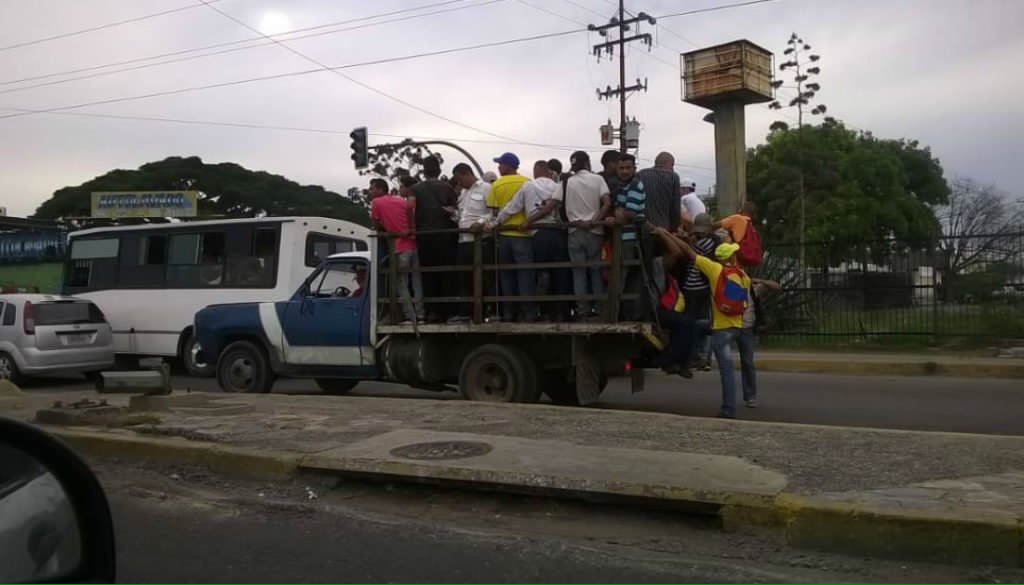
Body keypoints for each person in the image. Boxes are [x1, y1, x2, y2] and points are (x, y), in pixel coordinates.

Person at [671, 235, 752, 419]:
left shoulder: (714, 269)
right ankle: (694, 357)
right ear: (732, 258)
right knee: (696, 326)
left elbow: (689, 253)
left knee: (726, 372)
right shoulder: (743, 276)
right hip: (737, 327)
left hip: (721, 330)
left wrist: (667, 234)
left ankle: (728, 409)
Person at [494, 160, 571, 321]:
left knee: (541, 274)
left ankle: (543, 312)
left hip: (537, 234)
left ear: (535, 171)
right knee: (561, 273)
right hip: (558, 232)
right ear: (549, 172)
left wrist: (495, 222)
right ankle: (562, 312)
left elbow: (512, 207)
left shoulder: (528, 186)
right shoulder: (557, 186)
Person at [486, 152, 537, 322]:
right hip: (524, 235)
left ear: (508, 166)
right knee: (526, 275)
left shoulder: (496, 185)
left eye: (500, 164)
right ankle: (528, 313)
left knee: (506, 275)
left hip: (504, 236)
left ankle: (509, 313)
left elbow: (492, 212)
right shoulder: (528, 182)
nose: (499, 167)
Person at [563, 151, 611, 320]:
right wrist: (595, 220)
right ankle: (598, 309)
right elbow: (607, 202)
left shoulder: (568, 182)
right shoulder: (598, 179)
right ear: (588, 163)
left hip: (575, 230)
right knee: (596, 271)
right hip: (595, 230)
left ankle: (582, 310)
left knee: (579, 273)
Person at [369, 178, 424, 323]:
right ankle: (421, 314)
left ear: (380, 189)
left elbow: (375, 223)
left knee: (401, 283)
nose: (370, 191)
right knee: (417, 281)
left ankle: (409, 316)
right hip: (413, 243)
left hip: (399, 246)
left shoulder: (376, 203)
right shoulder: (401, 201)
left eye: (372, 188)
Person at [411, 156, 459, 322]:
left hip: (424, 236)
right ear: (438, 170)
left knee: (427, 275)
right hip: (445, 236)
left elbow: (411, 212)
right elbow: (455, 210)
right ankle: (449, 310)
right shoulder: (447, 188)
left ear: (424, 171)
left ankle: (432, 311)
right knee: (447, 273)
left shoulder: (415, 189)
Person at [604, 153, 649, 321]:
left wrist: (615, 219)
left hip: (630, 238)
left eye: (627, 168)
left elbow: (628, 213)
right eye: (621, 168)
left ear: (634, 168)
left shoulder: (635, 185)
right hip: (624, 236)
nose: (624, 171)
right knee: (621, 274)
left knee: (621, 274)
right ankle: (621, 313)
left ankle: (616, 315)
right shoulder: (623, 186)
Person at [647, 226, 696, 378]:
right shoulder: (657, 264)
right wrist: (664, 233)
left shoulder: (671, 268)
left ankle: (682, 362)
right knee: (685, 322)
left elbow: (686, 251)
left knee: (689, 322)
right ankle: (669, 359)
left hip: (663, 307)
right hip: (655, 309)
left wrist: (671, 235)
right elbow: (677, 252)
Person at [449, 163, 495, 323]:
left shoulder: (487, 188)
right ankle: (465, 313)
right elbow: (463, 214)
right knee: (464, 277)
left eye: (460, 179)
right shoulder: (463, 193)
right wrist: (453, 215)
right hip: (463, 240)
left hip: (480, 240)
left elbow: (493, 212)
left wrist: (481, 223)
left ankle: (488, 312)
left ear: (467, 174)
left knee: (485, 277)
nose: (459, 183)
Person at [739, 277, 782, 409]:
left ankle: (750, 396)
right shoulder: (728, 283)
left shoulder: (752, 288)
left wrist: (760, 281)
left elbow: (777, 287)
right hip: (729, 325)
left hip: (746, 328)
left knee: (747, 362)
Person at [683, 213, 718, 370]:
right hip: (697, 289)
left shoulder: (704, 244)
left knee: (699, 324)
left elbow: (687, 250)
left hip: (696, 289)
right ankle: (702, 358)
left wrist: (685, 237)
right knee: (700, 323)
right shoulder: (711, 242)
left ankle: (701, 356)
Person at [637, 152, 682, 238]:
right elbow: (676, 208)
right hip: (664, 229)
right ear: (670, 164)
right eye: (672, 166)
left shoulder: (640, 174)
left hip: (643, 227)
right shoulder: (673, 177)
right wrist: (675, 228)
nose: (672, 169)